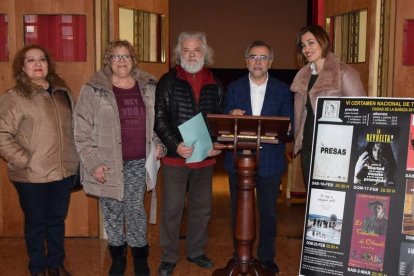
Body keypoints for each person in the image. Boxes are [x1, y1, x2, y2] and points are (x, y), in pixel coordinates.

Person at [73, 40, 166, 276]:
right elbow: (81, 130)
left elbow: (158, 123)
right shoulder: (93, 88)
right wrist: (93, 163)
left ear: (133, 59)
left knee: (135, 207)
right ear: (108, 61)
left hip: (138, 160)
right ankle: (117, 256)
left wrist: (158, 144)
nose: (121, 61)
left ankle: (139, 255)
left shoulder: (149, 86)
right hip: (106, 162)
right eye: (116, 56)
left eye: (126, 56)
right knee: (112, 209)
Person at [0, 45, 78, 276]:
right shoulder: (14, 97)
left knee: (56, 220)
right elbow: (2, 134)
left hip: (62, 172)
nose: (37, 64)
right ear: (22, 67)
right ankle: (37, 268)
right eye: (31, 60)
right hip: (31, 175)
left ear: (48, 64)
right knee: (35, 224)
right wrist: (26, 160)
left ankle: (54, 265)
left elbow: (74, 130)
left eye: (41, 59)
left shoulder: (62, 93)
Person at [154, 31, 224, 276]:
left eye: (196, 50)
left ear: (205, 53)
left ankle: (196, 251)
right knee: (172, 209)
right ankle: (169, 257)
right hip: (176, 158)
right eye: (186, 50)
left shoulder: (215, 83)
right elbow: (160, 119)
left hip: (204, 158)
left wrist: (218, 143)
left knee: (202, 209)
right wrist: (175, 145)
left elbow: (219, 120)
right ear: (178, 53)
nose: (191, 54)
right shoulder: (167, 81)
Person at [223, 40, 294, 273]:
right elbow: (222, 122)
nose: (258, 61)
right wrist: (231, 115)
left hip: (270, 160)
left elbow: (289, 127)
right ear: (246, 61)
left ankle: (266, 257)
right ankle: (240, 254)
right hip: (239, 159)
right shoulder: (233, 88)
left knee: (268, 212)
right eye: (253, 57)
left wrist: (285, 130)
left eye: (263, 57)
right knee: (238, 210)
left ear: (271, 62)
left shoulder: (283, 90)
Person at [290, 25, 366, 189]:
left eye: (311, 43)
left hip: (336, 149)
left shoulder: (344, 73)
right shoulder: (303, 75)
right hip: (309, 144)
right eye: (303, 45)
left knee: (332, 199)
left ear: (323, 42)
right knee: (312, 199)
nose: (306, 49)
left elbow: (361, 113)